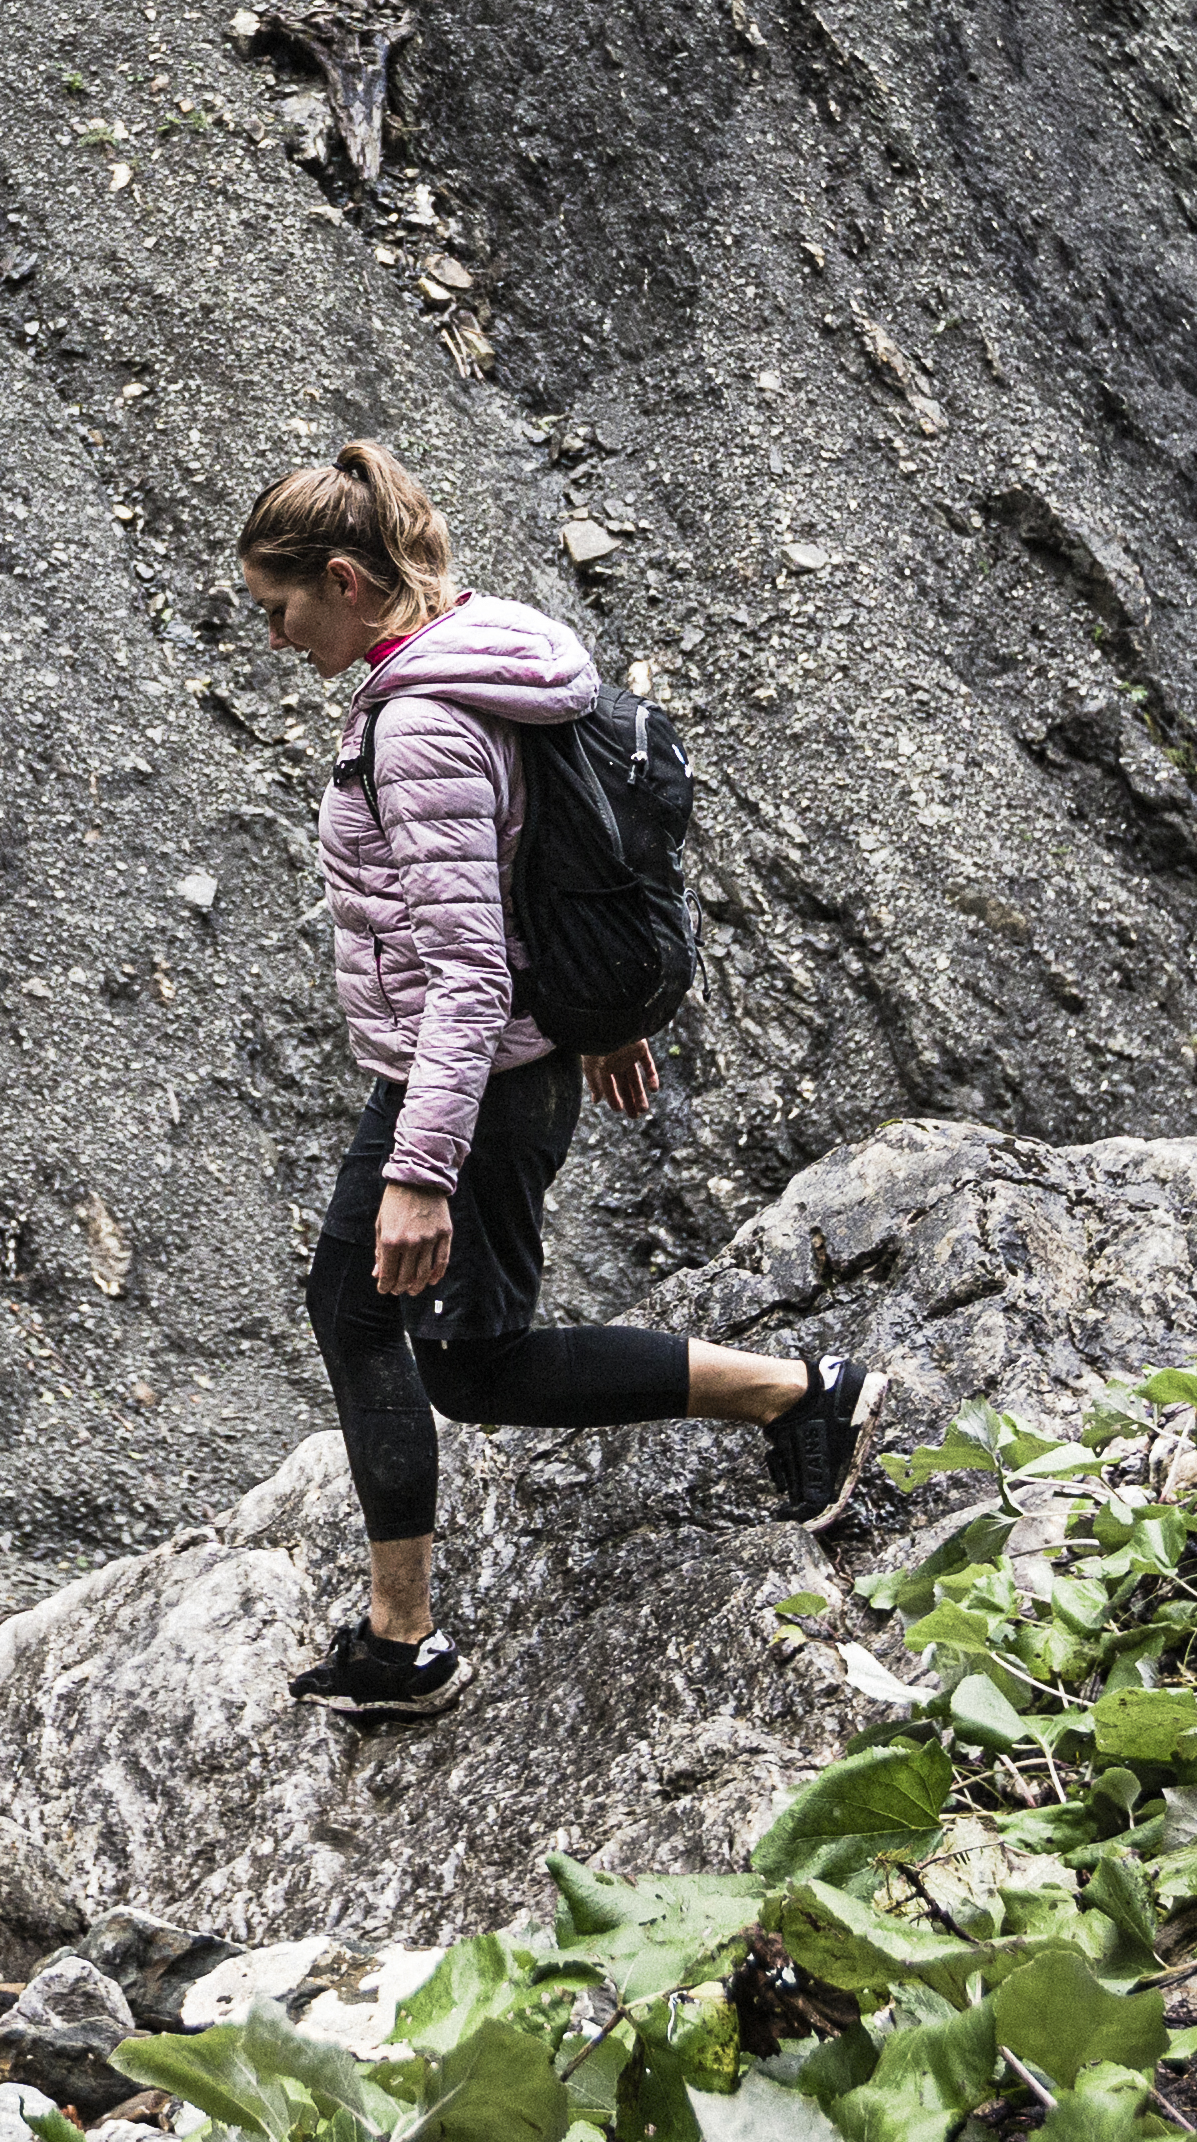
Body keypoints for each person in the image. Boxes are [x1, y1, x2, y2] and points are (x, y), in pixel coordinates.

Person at [235, 437, 872, 1722]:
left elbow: (464, 971)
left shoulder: (418, 716)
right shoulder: (489, 648)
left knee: (368, 1319)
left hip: (460, 1080)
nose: (274, 636)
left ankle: (401, 1644)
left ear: (348, 579)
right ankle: (803, 1396)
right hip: (510, 1067)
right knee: (468, 1363)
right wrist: (586, 1013)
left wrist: (421, 1173)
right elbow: (543, 857)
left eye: (279, 606)